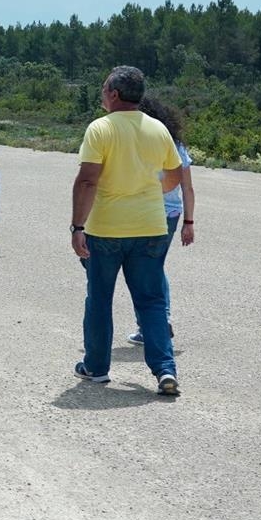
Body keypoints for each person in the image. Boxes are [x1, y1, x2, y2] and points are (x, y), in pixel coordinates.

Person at [70, 66, 183, 396]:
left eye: (104, 89)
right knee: (151, 300)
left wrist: (78, 226)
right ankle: (165, 370)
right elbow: (174, 177)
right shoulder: (158, 129)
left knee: (100, 299)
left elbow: (88, 179)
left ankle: (96, 367)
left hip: (106, 229)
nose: (102, 95)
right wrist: (146, 189)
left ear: (114, 94)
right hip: (150, 226)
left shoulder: (100, 129)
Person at [130, 96, 195, 345]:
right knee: (154, 267)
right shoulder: (176, 145)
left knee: (141, 271)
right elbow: (188, 188)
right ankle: (159, 319)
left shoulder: (138, 143)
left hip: (143, 212)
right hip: (171, 214)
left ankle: (151, 324)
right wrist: (189, 222)